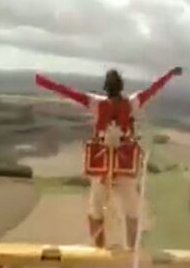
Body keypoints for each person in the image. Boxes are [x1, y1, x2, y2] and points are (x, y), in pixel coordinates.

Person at [35, 66, 182, 249]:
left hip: (102, 166)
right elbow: (153, 89)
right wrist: (169, 74)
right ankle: (130, 250)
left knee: (96, 210)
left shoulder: (97, 103)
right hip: (123, 165)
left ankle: (99, 249)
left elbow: (67, 92)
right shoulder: (131, 103)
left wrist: (42, 81)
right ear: (121, 86)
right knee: (131, 211)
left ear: (106, 88)